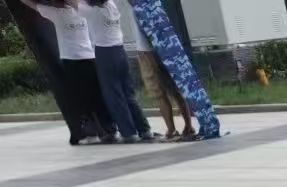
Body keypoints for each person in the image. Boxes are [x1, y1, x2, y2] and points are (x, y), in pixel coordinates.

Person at [20, 0, 116, 145]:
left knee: (82, 97)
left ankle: (94, 132)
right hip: (87, 58)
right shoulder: (80, 10)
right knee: (96, 96)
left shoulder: (57, 14)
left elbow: (33, 5)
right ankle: (108, 129)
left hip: (73, 60)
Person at [119, 0, 197, 141]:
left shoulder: (138, 7)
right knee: (175, 89)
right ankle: (188, 126)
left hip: (147, 51)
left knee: (158, 93)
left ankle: (171, 130)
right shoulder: (154, 4)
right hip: (166, 47)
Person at [82, 0, 153, 142]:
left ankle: (129, 132)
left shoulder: (92, 12)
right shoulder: (111, 6)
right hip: (120, 51)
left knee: (114, 95)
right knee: (128, 93)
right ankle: (144, 129)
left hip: (105, 53)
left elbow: (72, 3)